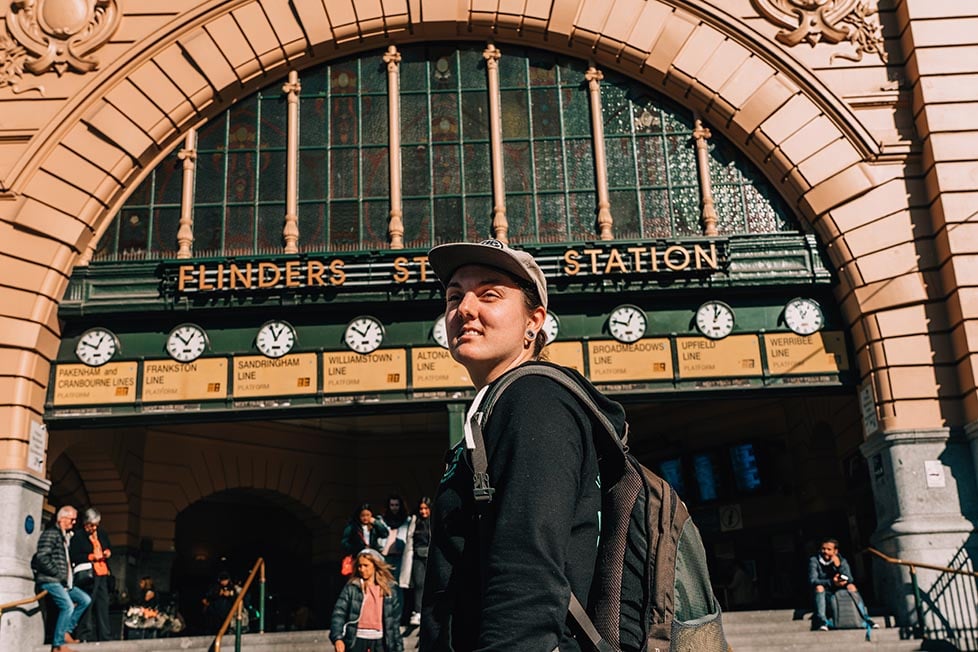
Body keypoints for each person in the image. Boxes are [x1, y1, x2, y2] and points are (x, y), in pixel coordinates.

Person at [420, 239, 627, 650]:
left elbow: (527, 576)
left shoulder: (533, 400)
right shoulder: (500, 406)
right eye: (454, 296)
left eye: (490, 294)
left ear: (534, 321)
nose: (464, 309)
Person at [33, 505, 92, 652]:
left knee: (85, 600)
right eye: (72, 520)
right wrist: (57, 574)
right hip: (50, 580)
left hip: (64, 582)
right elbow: (42, 557)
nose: (73, 523)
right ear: (62, 519)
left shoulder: (63, 536)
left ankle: (66, 631)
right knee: (67, 606)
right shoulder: (51, 534)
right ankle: (58, 645)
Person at [330, 548, 404, 652]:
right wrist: (337, 638)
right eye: (360, 566)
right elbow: (339, 613)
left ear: (375, 565)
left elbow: (394, 622)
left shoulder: (388, 590)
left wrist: (398, 647)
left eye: (366, 565)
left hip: (380, 641)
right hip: (356, 640)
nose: (362, 569)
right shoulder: (352, 587)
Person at [809, 538, 876, 630]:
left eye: (829, 549)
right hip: (825, 591)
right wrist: (832, 582)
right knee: (819, 587)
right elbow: (813, 580)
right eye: (823, 549)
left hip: (839, 590)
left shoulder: (841, 561)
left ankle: (865, 617)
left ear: (835, 551)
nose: (825, 551)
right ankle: (822, 621)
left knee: (851, 587)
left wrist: (839, 567)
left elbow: (849, 578)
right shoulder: (814, 560)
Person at [69, 507, 113, 641]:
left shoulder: (101, 534)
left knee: (103, 604)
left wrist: (107, 552)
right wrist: (90, 556)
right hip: (88, 574)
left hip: (102, 573)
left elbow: (108, 547)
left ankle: (105, 635)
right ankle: (84, 635)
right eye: (91, 525)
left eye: (95, 525)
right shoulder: (78, 536)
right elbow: (74, 555)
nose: (93, 528)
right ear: (85, 523)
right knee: (88, 604)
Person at [406, 496, 431, 627]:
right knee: (419, 583)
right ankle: (418, 611)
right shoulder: (415, 521)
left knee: (431, 583)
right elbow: (410, 538)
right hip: (417, 555)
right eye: (421, 508)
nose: (423, 511)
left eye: (426, 508)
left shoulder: (433, 521)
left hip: (430, 554)